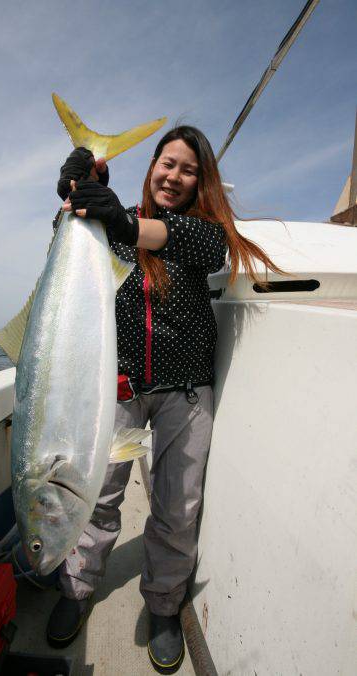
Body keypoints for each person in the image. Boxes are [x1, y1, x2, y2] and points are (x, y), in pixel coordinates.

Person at [46, 127, 283, 673]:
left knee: (177, 507)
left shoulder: (201, 232)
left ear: (201, 181)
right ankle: (77, 588)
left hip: (184, 393)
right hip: (119, 388)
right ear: (150, 166)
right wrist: (77, 196)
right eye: (166, 164)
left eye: (188, 170)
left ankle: (163, 606)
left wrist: (123, 219)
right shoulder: (113, 219)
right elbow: (70, 267)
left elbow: (195, 245)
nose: (173, 177)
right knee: (97, 496)